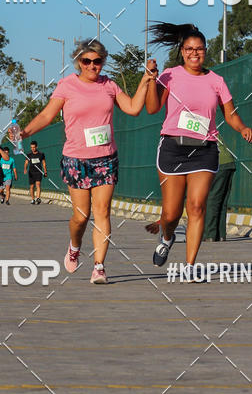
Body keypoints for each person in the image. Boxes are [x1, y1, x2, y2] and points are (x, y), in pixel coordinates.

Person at [22, 38, 154, 284]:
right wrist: (25, 132)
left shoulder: (109, 85)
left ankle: (99, 267)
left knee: (102, 212)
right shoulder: (67, 86)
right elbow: (47, 115)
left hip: (105, 158)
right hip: (76, 160)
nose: (93, 66)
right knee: (81, 217)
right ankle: (74, 245)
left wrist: (146, 81)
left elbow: (134, 108)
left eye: (98, 61)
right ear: (78, 62)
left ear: (103, 61)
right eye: (87, 61)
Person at [145, 22, 252, 269]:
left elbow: (230, 114)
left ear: (206, 51)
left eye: (199, 49)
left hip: (205, 149)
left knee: (196, 206)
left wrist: (242, 127)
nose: (194, 53)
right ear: (182, 52)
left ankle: (189, 266)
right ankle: (167, 237)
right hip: (173, 148)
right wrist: (152, 81)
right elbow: (152, 108)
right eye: (189, 49)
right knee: (171, 214)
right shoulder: (169, 75)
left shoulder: (217, 81)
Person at [203, 136, 236, 241]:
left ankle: (210, 234)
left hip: (219, 164)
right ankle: (221, 234)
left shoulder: (199, 129)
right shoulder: (211, 128)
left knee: (212, 199)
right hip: (229, 163)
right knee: (222, 201)